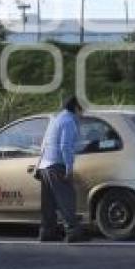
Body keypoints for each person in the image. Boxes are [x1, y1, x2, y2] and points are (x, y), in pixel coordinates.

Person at [37, 96, 85, 243]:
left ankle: (47, 232)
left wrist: (38, 164)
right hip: (57, 165)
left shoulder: (56, 119)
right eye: (81, 109)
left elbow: (44, 143)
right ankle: (73, 232)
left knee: (49, 203)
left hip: (45, 166)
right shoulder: (69, 121)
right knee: (67, 199)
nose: (82, 113)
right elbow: (65, 146)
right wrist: (69, 168)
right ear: (76, 108)